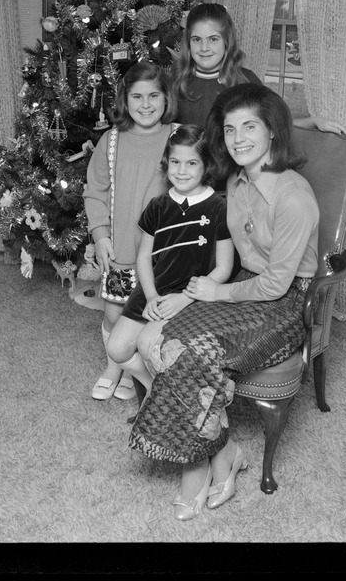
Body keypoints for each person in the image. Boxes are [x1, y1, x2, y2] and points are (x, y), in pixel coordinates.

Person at [128, 82, 320, 521]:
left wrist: (217, 291)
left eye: (249, 127)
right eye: (230, 129)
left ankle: (194, 469)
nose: (238, 139)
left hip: (283, 303)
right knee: (152, 339)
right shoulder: (236, 177)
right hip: (240, 285)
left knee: (190, 351)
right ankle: (226, 452)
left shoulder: (294, 198)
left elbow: (274, 286)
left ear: (272, 130)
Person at [105, 124, 235, 396]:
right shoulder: (158, 205)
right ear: (166, 162)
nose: (181, 170)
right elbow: (143, 258)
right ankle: (156, 390)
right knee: (116, 348)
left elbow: (224, 267)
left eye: (191, 163)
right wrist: (151, 296)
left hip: (193, 296)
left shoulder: (219, 208)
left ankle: (168, 394)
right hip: (155, 289)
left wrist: (186, 298)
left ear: (206, 165)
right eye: (175, 162)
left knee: (149, 344)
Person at [83, 62, 177, 401]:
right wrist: (100, 235)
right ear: (125, 99)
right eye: (137, 96)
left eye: (154, 95)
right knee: (113, 313)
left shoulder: (179, 137)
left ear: (166, 98)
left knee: (147, 317)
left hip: (163, 254)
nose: (146, 104)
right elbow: (94, 192)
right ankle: (114, 366)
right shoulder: (111, 141)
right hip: (122, 245)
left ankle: (132, 368)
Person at [171, 2, 345, 134]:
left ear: (226, 41)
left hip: (232, 175)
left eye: (213, 39)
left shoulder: (245, 80)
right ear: (188, 42)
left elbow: (273, 120)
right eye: (196, 40)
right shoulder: (177, 82)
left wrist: (312, 122)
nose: (204, 47)